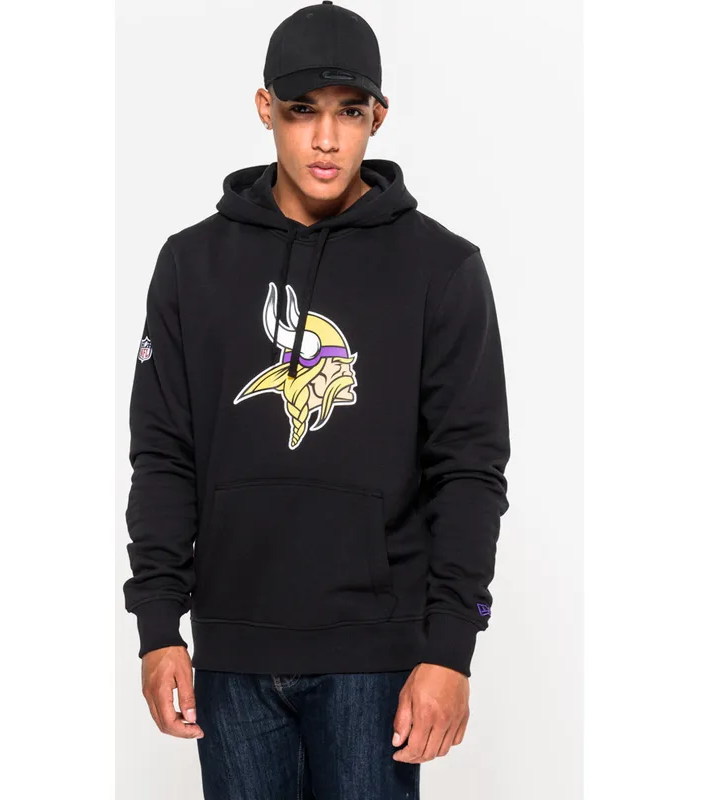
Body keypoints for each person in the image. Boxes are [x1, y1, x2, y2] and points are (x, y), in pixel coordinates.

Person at [122, 2, 510, 798]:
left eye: (350, 112)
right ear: (265, 108)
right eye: (303, 111)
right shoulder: (191, 264)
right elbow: (163, 454)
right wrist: (158, 628)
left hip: (375, 660)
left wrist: (450, 650)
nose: (327, 139)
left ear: (378, 117)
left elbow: (469, 471)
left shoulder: (441, 268)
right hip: (231, 658)